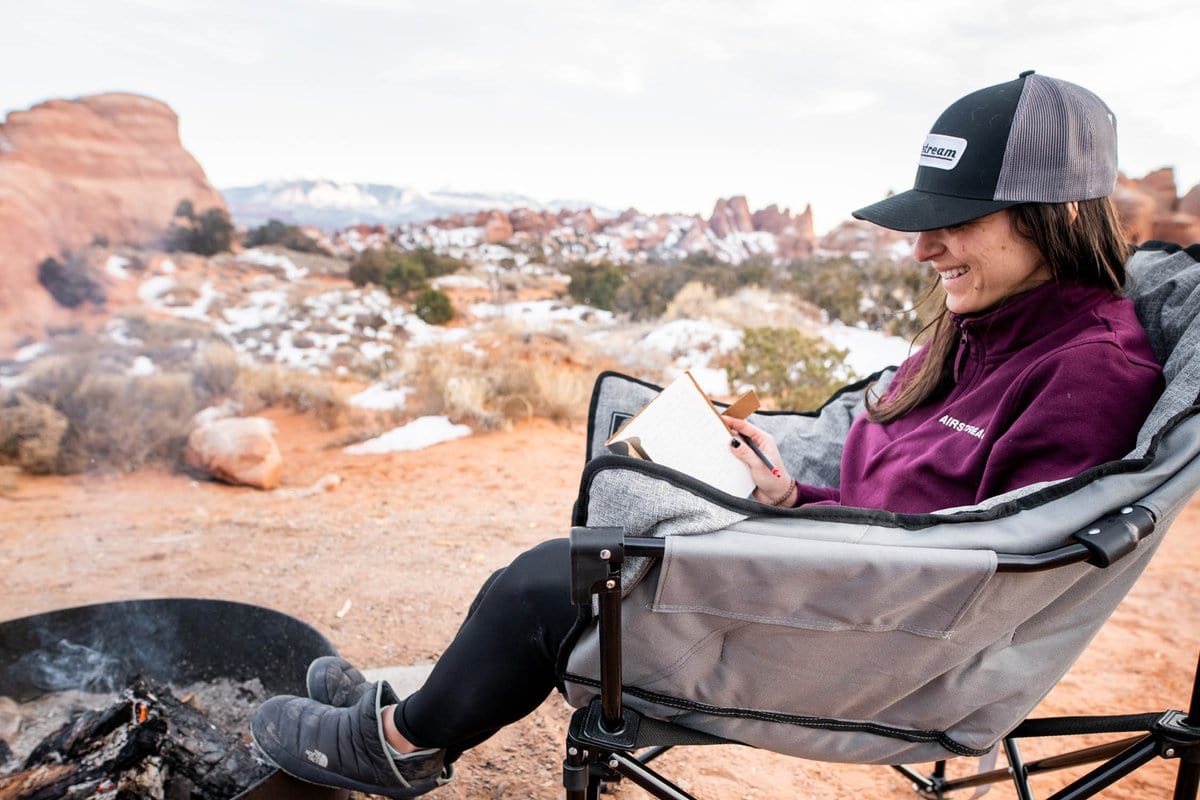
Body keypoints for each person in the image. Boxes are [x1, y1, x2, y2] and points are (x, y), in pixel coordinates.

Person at [250, 71, 1164, 799]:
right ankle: (418, 707)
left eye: (955, 223)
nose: (924, 251)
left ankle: (402, 746)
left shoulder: (1089, 373)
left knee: (550, 583)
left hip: (876, 639)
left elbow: (990, 569)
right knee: (565, 561)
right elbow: (918, 499)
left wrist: (793, 530)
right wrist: (786, 495)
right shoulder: (985, 321)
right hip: (839, 566)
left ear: (1057, 215)